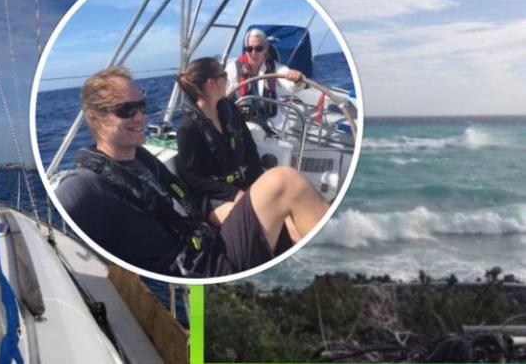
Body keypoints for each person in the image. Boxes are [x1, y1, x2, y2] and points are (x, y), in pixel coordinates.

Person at [55, 66, 328, 278]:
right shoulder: (84, 186)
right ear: (94, 118)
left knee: (290, 231)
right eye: (126, 110)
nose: (140, 117)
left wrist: (221, 209)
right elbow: (58, 227)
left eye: (142, 107)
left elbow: (184, 197)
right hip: (201, 269)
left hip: (206, 239)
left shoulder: (142, 157)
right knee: (285, 182)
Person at [176, 56, 327, 239]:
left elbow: (250, 152)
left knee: (288, 210)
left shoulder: (229, 110)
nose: (227, 79)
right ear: (211, 83)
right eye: (223, 75)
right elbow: (192, 178)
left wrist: (257, 183)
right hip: (216, 198)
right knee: (263, 220)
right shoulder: (188, 129)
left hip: (244, 184)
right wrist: (235, 193)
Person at [225, 27, 305, 130]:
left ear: (266, 49)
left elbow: (290, 83)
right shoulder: (233, 69)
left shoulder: (275, 68)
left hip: (272, 124)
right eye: (249, 49)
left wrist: (296, 79)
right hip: (244, 124)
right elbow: (222, 94)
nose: (254, 53)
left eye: (259, 48)